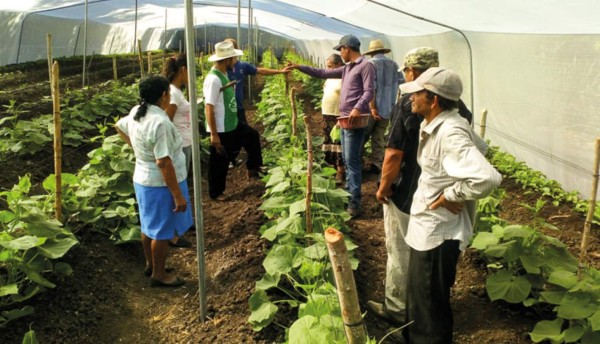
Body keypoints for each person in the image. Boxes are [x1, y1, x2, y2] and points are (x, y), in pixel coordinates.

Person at [369, 47, 474, 331]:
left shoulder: (409, 102)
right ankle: (423, 311)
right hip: (439, 195)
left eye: (406, 71)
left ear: (413, 72)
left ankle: (396, 308)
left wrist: (384, 188)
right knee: (428, 259)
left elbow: (393, 154)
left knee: (400, 250)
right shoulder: (459, 107)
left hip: (408, 194)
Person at [400, 67, 502, 343]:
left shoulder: (450, 131)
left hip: (438, 232)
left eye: (417, 93)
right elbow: (480, 147)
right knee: (421, 298)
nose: (412, 98)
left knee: (431, 305)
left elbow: (488, 177)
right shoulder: (439, 123)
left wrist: (453, 194)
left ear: (433, 100)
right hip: (428, 225)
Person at [285, 34, 375, 218]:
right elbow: (322, 73)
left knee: (352, 162)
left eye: (340, 49)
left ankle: (354, 202)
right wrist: (299, 67)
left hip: (354, 121)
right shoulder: (347, 68)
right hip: (343, 120)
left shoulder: (366, 66)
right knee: (348, 159)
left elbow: (369, 91)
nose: (340, 53)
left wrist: (357, 107)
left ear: (347, 48)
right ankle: (349, 195)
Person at [115, 75, 192, 287]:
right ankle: (159, 275)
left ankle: (150, 265)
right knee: (163, 231)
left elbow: (118, 126)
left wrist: (139, 149)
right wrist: (177, 195)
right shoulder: (160, 123)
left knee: (148, 225)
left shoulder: (136, 112)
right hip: (160, 184)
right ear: (164, 95)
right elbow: (164, 163)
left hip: (143, 180)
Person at [203, 40, 264, 200]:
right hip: (221, 128)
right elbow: (208, 107)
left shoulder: (223, 74)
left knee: (251, 136)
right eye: (233, 58)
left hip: (232, 123)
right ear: (227, 60)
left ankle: (253, 168)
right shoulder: (213, 79)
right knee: (219, 161)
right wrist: (214, 134)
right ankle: (215, 193)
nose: (235, 61)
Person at [162, 53, 193, 249]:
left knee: (182, 185)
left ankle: (178, 227)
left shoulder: (176, 91)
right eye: (190, 69)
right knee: (177, 187)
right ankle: (173, 234)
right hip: (179, 146)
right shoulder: (173, 93)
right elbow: (165, 121)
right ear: (183, 69)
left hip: (184, 143)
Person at [223, 38, 288, 125]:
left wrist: (280, 71)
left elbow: (261, 71)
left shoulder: (242, 66)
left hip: (238, 108)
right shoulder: (220, 69)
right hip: (223, 110)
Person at [362, 39, 401, 174]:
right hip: (388, 107)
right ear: (383, 51)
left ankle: (358, 163)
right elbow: (402, 83)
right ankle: (377, 164)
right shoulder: (394, 65)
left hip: (371, 109)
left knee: (363, 135)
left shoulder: (370, 65)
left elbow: (371, 88)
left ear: (371, 53)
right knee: (379, 136)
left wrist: (372, 108)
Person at [320, 53, 345, 184]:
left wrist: (342, 116)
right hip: (327, 113)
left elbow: (347, 98)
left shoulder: (345, 78)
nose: (327, 69)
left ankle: (340, 172)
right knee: (328, 140)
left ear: (339, 65)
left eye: (330, 66)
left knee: (338, 143)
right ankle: (331, 169)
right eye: (327, 66)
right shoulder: (329, 78)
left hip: (338, 115)